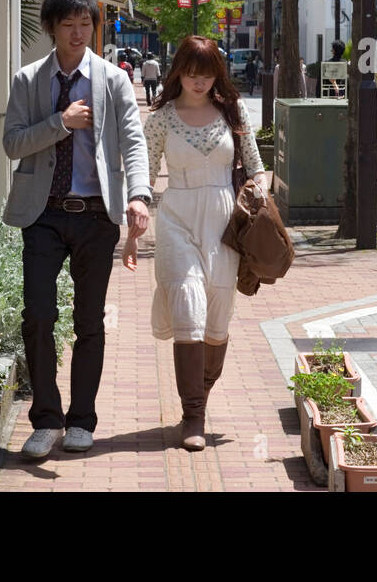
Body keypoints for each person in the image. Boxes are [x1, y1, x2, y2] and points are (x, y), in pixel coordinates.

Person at [1, 0, 152, 459]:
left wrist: (139, 195)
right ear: (52, 28)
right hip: (42, 213)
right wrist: (60, 123)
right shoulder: (29, 80)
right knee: (38, 317)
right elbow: (12, 143)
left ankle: (82, 420)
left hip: (94, 216)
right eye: (68, 24)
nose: (78, 32)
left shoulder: (112, 79)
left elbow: (133, 141)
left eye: (86, 23)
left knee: (89, 321)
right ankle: (45, 420)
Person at [123, 36, 266, 451]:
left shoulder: (232, 112)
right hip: (178, 219)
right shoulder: (162, 119)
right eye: (191, 71)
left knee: (217, 318)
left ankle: (200, 396)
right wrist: (133, 232)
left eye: (207, 72)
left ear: (216, 74)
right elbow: (143, 177)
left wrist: (260, 204)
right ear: (178, 72)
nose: (199, 80)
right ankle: (193, 415)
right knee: (188, 303)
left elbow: (256, 168)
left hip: (225, 222)